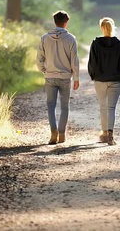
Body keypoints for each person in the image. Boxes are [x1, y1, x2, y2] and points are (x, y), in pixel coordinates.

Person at [37, 10, 79, 145]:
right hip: (65, 77)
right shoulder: (71, 38)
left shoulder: (44, 38)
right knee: (65, 106)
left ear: (55, 22)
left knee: (51, 105)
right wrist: (76, 78)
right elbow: (74, 61)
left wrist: (43, 70)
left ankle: (53, 131)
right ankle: (61, 133)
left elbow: (39, 59)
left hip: (49, 76)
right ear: (66, 23)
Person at [88, 17, 120, 146]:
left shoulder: (95, 44)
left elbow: (92, 64)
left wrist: (93, 76)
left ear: (102, 28)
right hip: (115, 80)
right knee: (111, 108)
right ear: (113, 27)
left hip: (100, 80)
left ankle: (104, 132)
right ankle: (110, 134)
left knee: (102, 107)